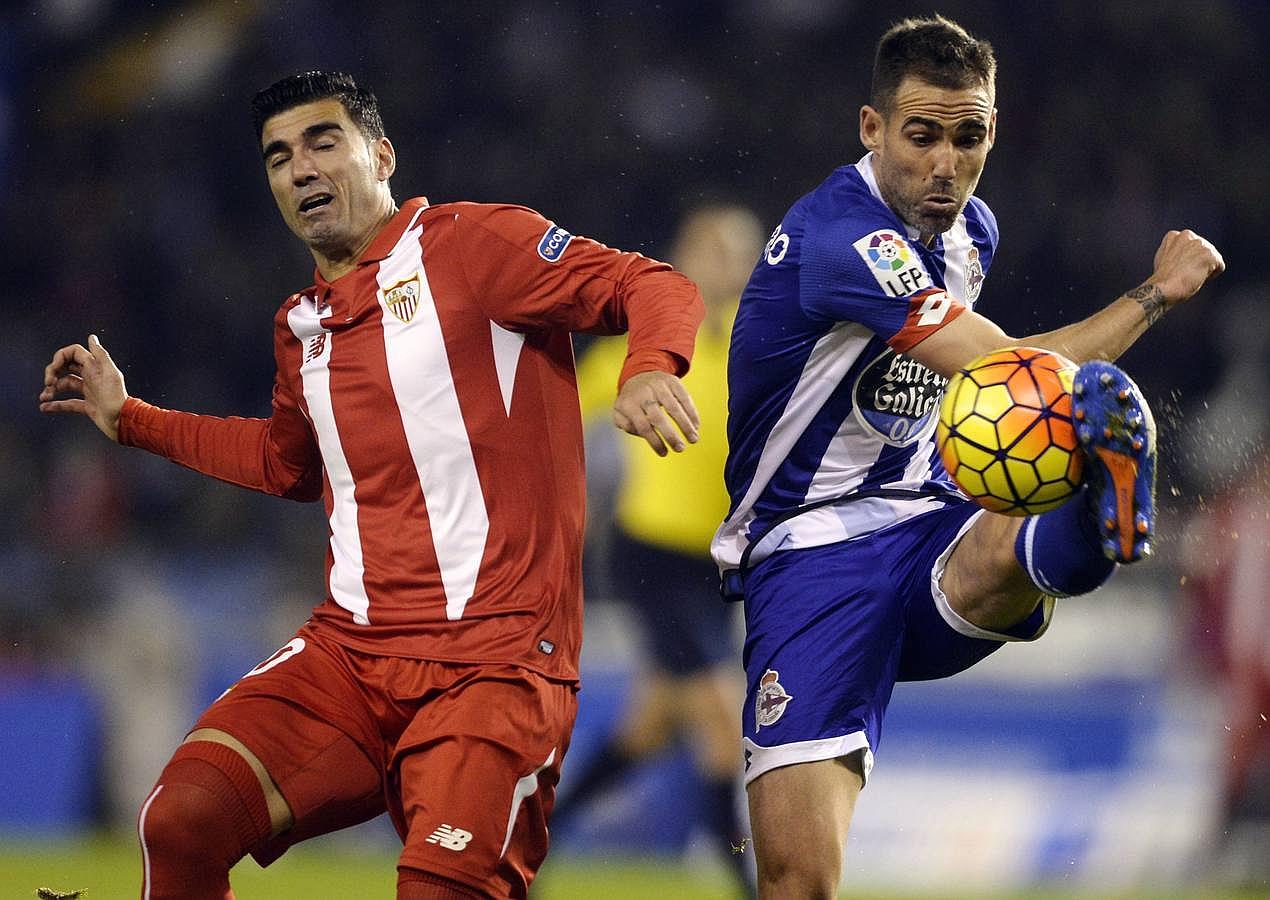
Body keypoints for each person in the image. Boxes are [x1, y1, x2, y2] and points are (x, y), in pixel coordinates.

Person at [39, 71, 704, 900]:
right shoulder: (301, 325)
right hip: (349, 661)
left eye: (324, 143)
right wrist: (130, 417)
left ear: (380, 154)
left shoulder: (473, 246)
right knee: (178, 821)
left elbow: (654, 284)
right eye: (279, 157)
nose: (302, 169)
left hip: (495, 670)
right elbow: (285, 464)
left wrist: (646, 368)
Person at [709, 16, 1225, 899]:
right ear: (871, 129)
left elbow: (998, 382)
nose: (945, 163)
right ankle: (1079, 510)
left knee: (1006, 516)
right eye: (922, 136)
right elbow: (1004, 368)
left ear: (993, 130)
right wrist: (1155, 295)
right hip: (811, 549)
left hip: (926, 520)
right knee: (798, 882)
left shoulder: (970, 231)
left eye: (969, 136)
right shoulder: (843, 237)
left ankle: (1086, 521)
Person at [563, 204, 764, 895]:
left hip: (720, 564)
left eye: (740, 252)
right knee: (718, 722)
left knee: (650, 726)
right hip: (650, 553)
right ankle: (746, 881)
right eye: (712, 249)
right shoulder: (642, 341)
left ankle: (539, 835)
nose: (727, 264)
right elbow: (559, 406)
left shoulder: (760, 340)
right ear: (683, 258)